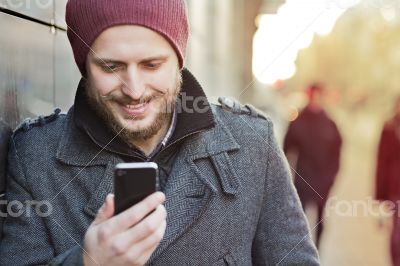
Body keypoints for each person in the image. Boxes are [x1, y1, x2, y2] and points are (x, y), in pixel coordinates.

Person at [0, 1, 319, 265]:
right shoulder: (34, 156)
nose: (134, 90)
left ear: (179, 61)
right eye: (111, 67)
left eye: (152, 65)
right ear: (84, 66)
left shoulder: (252, 143)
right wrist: (87, 261)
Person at [283, 84, 342, 248]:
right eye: (313, 96)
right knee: (299, 217)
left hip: (323, 180)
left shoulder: (330, 123)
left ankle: (317, 250)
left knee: (321, 219)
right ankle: (300, 249)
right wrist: (285, 174)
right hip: (303, 178)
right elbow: (287, 148)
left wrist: (332, 176)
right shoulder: (299, 121)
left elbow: (337, 152)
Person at [375, 96, 400, 266]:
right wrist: (379, 197)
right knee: (397, 234)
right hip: (395, 188)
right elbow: (382, 163)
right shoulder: (390, 127)